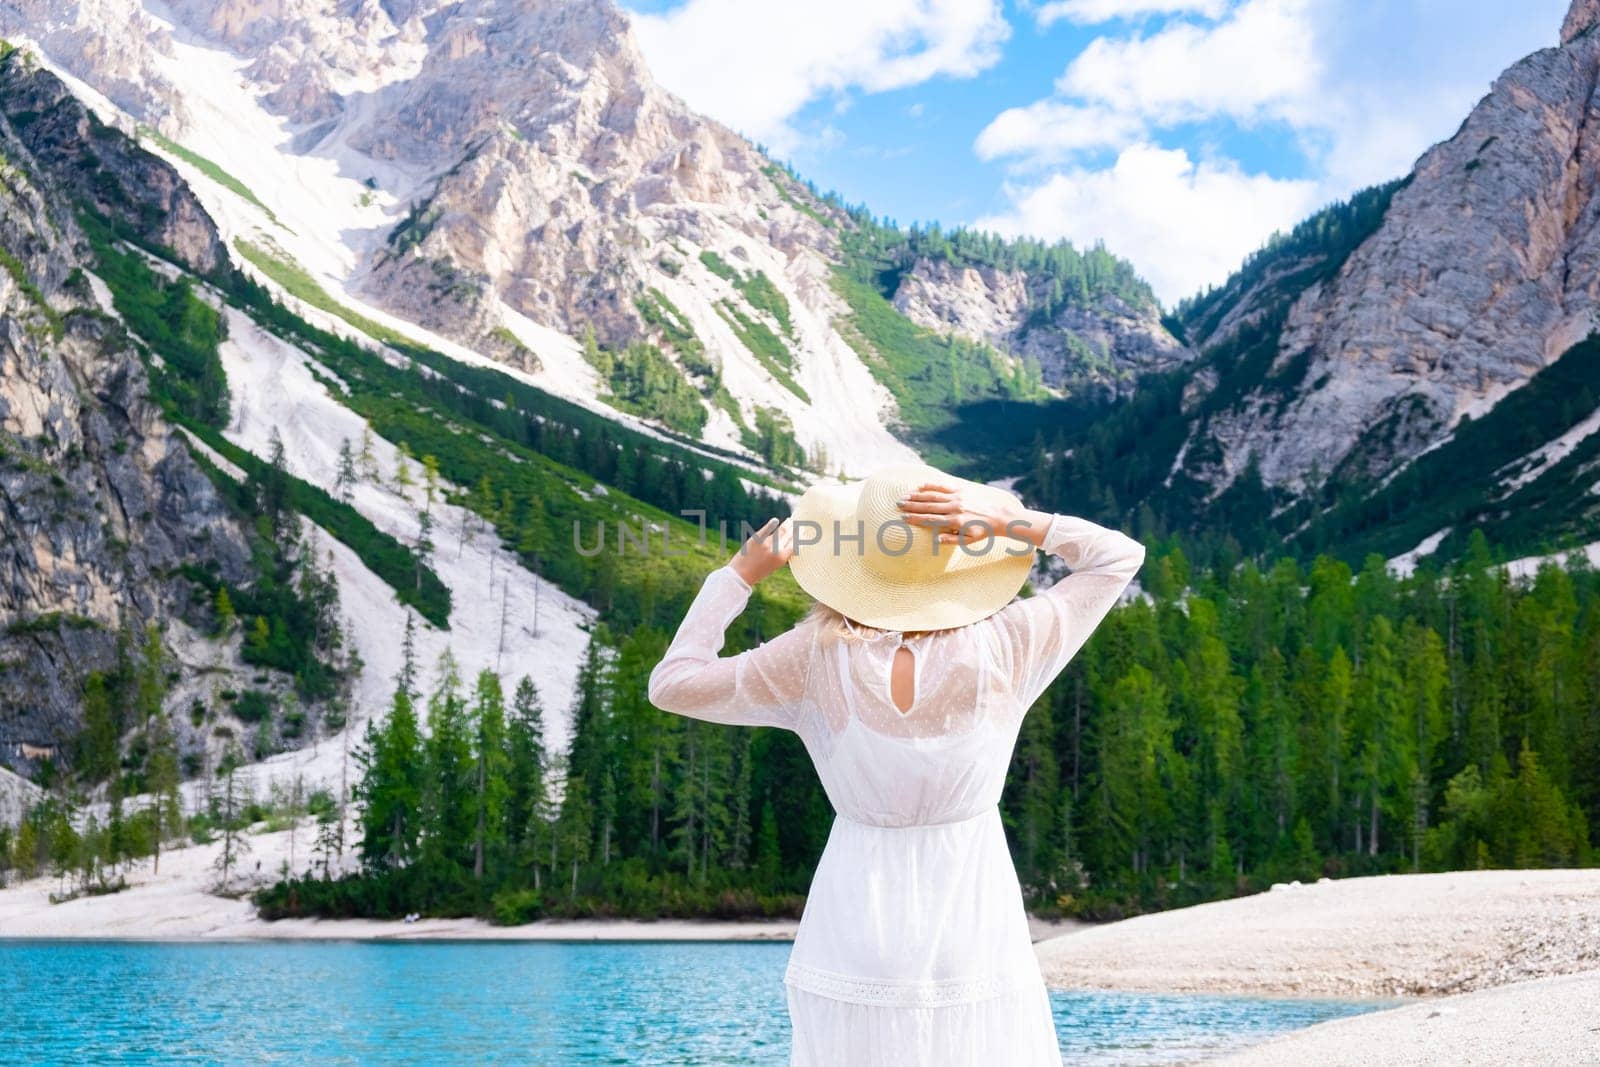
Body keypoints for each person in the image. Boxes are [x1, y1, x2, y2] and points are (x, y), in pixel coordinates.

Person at [648, 461, 1146, 1066]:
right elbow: (1118, 557)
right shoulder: (1010, 643)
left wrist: (737, 577)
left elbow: (672, 685)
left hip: (856, 912)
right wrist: (1014, 524)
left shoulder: (813, 658)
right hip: (973, 908)